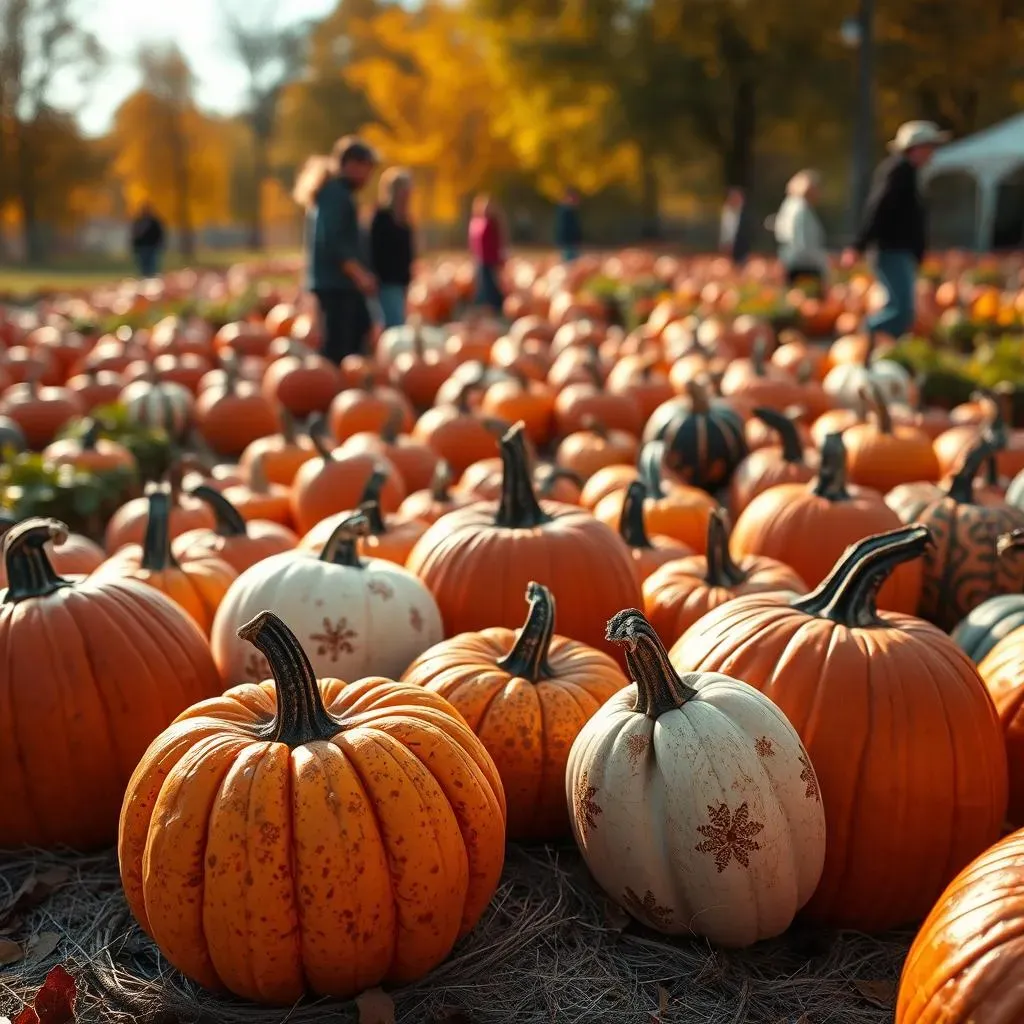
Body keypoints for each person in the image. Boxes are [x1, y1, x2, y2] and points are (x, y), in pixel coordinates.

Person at [843, 120, 951, 340]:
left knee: (901, 309)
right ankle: (865, 337)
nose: (933, 153)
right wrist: (858, 245)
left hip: (899, 251)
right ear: (917, 148)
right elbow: (877, 209)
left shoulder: (909, 173)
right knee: (901, 311)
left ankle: (879, 348)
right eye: (930, 147)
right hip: (891, 250)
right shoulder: (897, 172)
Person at [293, 135, 379, 365]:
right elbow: (332, 241)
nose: (368, 176)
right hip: (337, 284)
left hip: (338, 283)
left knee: (359, 331)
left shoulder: (336, 193)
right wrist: (359, 274)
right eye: (367, 168)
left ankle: (346, 387)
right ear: (352, 164)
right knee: (340, 346)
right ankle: (335, 389)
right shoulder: (336, 195)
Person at [370, 167, 415, 329]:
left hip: (401, 281)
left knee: (398, 321)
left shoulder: (405, 219)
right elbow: (374, 249)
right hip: (386, 281)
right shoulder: (381, 217)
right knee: (394, 325)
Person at [771, 170, 829, 287]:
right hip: (803, 264)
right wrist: (820, 263)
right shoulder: (801, 209)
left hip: (792, 259)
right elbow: (802, 241)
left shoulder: (790, 204)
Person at [468, 194, 505, 312]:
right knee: (482, 283)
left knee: (491, 283)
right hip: (480, 257)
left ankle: (495, 305)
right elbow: (473, 241)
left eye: (489, 206)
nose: (487, 209)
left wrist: (501, 255)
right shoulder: (476, 222)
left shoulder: (493, 222)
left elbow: (499, 240)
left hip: (491, 257)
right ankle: (484, 304)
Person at [130, 204, 165, 278]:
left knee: (152, 265)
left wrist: (159, 243)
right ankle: (144, 278)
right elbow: (134, 234)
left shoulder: (154, 222)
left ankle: (151, 279)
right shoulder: (139, 222)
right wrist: (134, 245)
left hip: (152, 246)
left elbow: (159, 233)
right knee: (143, 264)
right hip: (142, 246)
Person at [720, 187, 752, 266]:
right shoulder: (727, 213)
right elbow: (725, 230)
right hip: (729, 245)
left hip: (742, 246)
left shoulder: (745, 214)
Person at [555, 188, 583, 262]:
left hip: (571, 242)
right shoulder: (565, 211)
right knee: (570, 262)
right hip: (568, 242)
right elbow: (563, 228)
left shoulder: (570, 211)